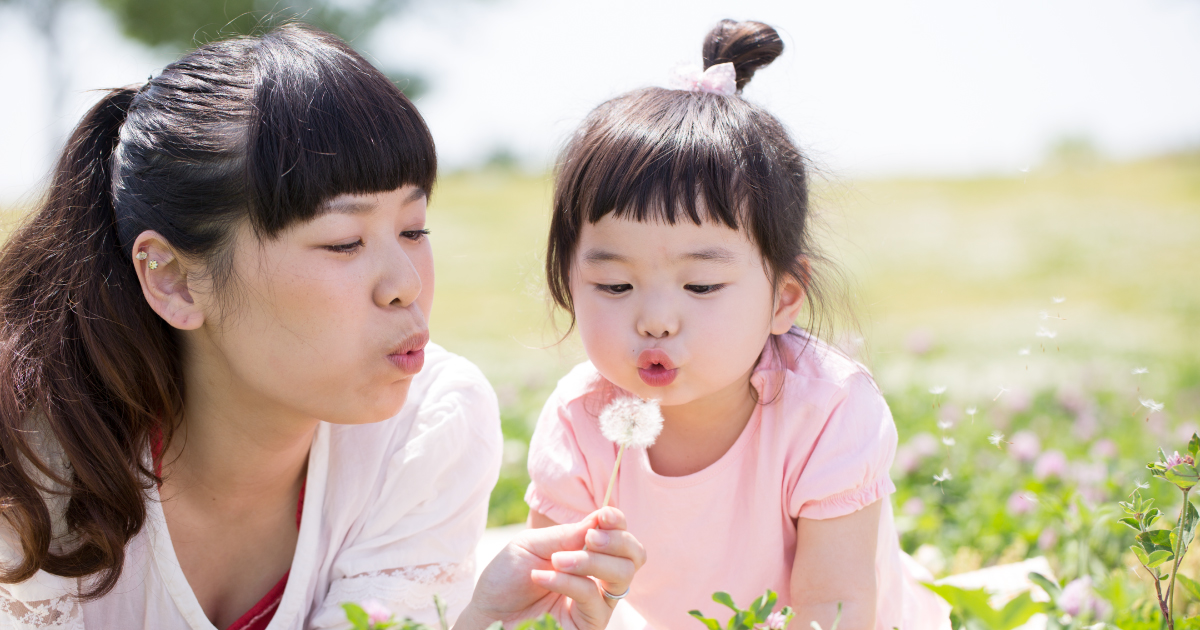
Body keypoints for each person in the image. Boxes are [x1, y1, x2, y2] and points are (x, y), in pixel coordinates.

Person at [0, 24, 643, 630]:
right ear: (172, 277)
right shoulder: (30, 458)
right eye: (343, 242)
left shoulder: (428, 424)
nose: (406, 284)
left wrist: (475, 620)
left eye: (414, 229)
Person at [524, 20, 950, 630]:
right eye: (614, 285)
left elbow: (835, 609)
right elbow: (548, 603)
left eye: (701, 286)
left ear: (783, 297)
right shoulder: (578, 419)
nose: (655, 320)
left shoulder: (827, 408)